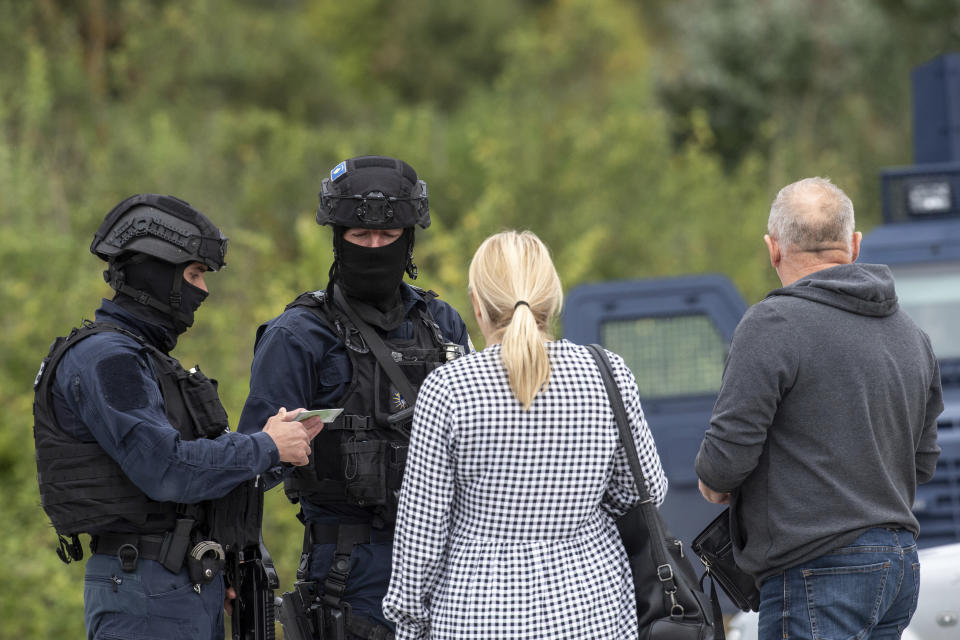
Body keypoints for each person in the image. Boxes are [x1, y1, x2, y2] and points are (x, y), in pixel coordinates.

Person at [32, 193, 324, 640]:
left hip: (179, 585)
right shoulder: (107, 358)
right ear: (156, 273)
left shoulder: (144, 358)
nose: (202, 291)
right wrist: (265, 445)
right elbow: (164, 470)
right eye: (193, 274)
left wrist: (209, 565)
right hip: (144, 590)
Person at [382, 230, 668, 639]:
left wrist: (409, 623)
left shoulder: (449, 389)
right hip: (592, 609)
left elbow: (422, 536)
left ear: (478, 305)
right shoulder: (608, 374)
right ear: (553, 299)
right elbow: (645, 494)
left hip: (476, 612)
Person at [695, 177, 943, 639]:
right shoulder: (913, 336)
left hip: (817, 571)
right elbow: (923, 463)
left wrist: (719, 484)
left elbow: (722, 467)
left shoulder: (772, 325)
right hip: (900, 567)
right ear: (853, 244)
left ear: (773, 249)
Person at [237, 156, 472, 639]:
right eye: (360, 237)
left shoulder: (441, 324)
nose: (374, 247)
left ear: (408, 240)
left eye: (388, 238)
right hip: (349, 570)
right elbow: (250, 469)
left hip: (452, 562)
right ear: (337, 237)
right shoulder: (299, 335)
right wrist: (241, 563)